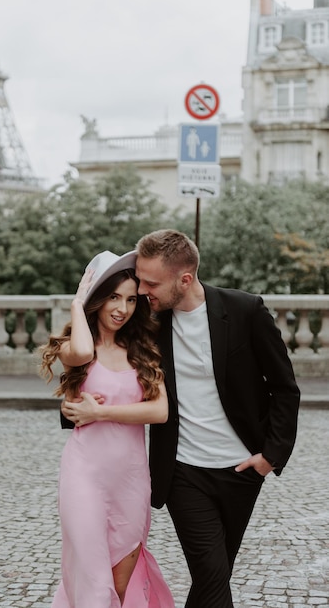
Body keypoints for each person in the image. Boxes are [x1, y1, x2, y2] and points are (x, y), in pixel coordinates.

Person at [132, 228, 301, 608]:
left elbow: (284, 387)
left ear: (185, 279)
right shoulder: (149, 319)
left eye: (151, 282)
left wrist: (270, 456)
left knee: (215, 576)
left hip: (241, 471)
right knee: (210, 572)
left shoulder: (245, 311)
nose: (142, 290)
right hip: (182, 472)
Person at [40, 250, 175, 608]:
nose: (123, 308)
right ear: (98, 298)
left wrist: (102, 413)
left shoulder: (142, 351)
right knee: (92, 581)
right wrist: (77, 303)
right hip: (83, 475)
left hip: (130, 479)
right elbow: (84, 349)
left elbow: (159, 411)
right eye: (113, 296)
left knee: (118, 584)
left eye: (131, 299)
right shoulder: (75, 350)